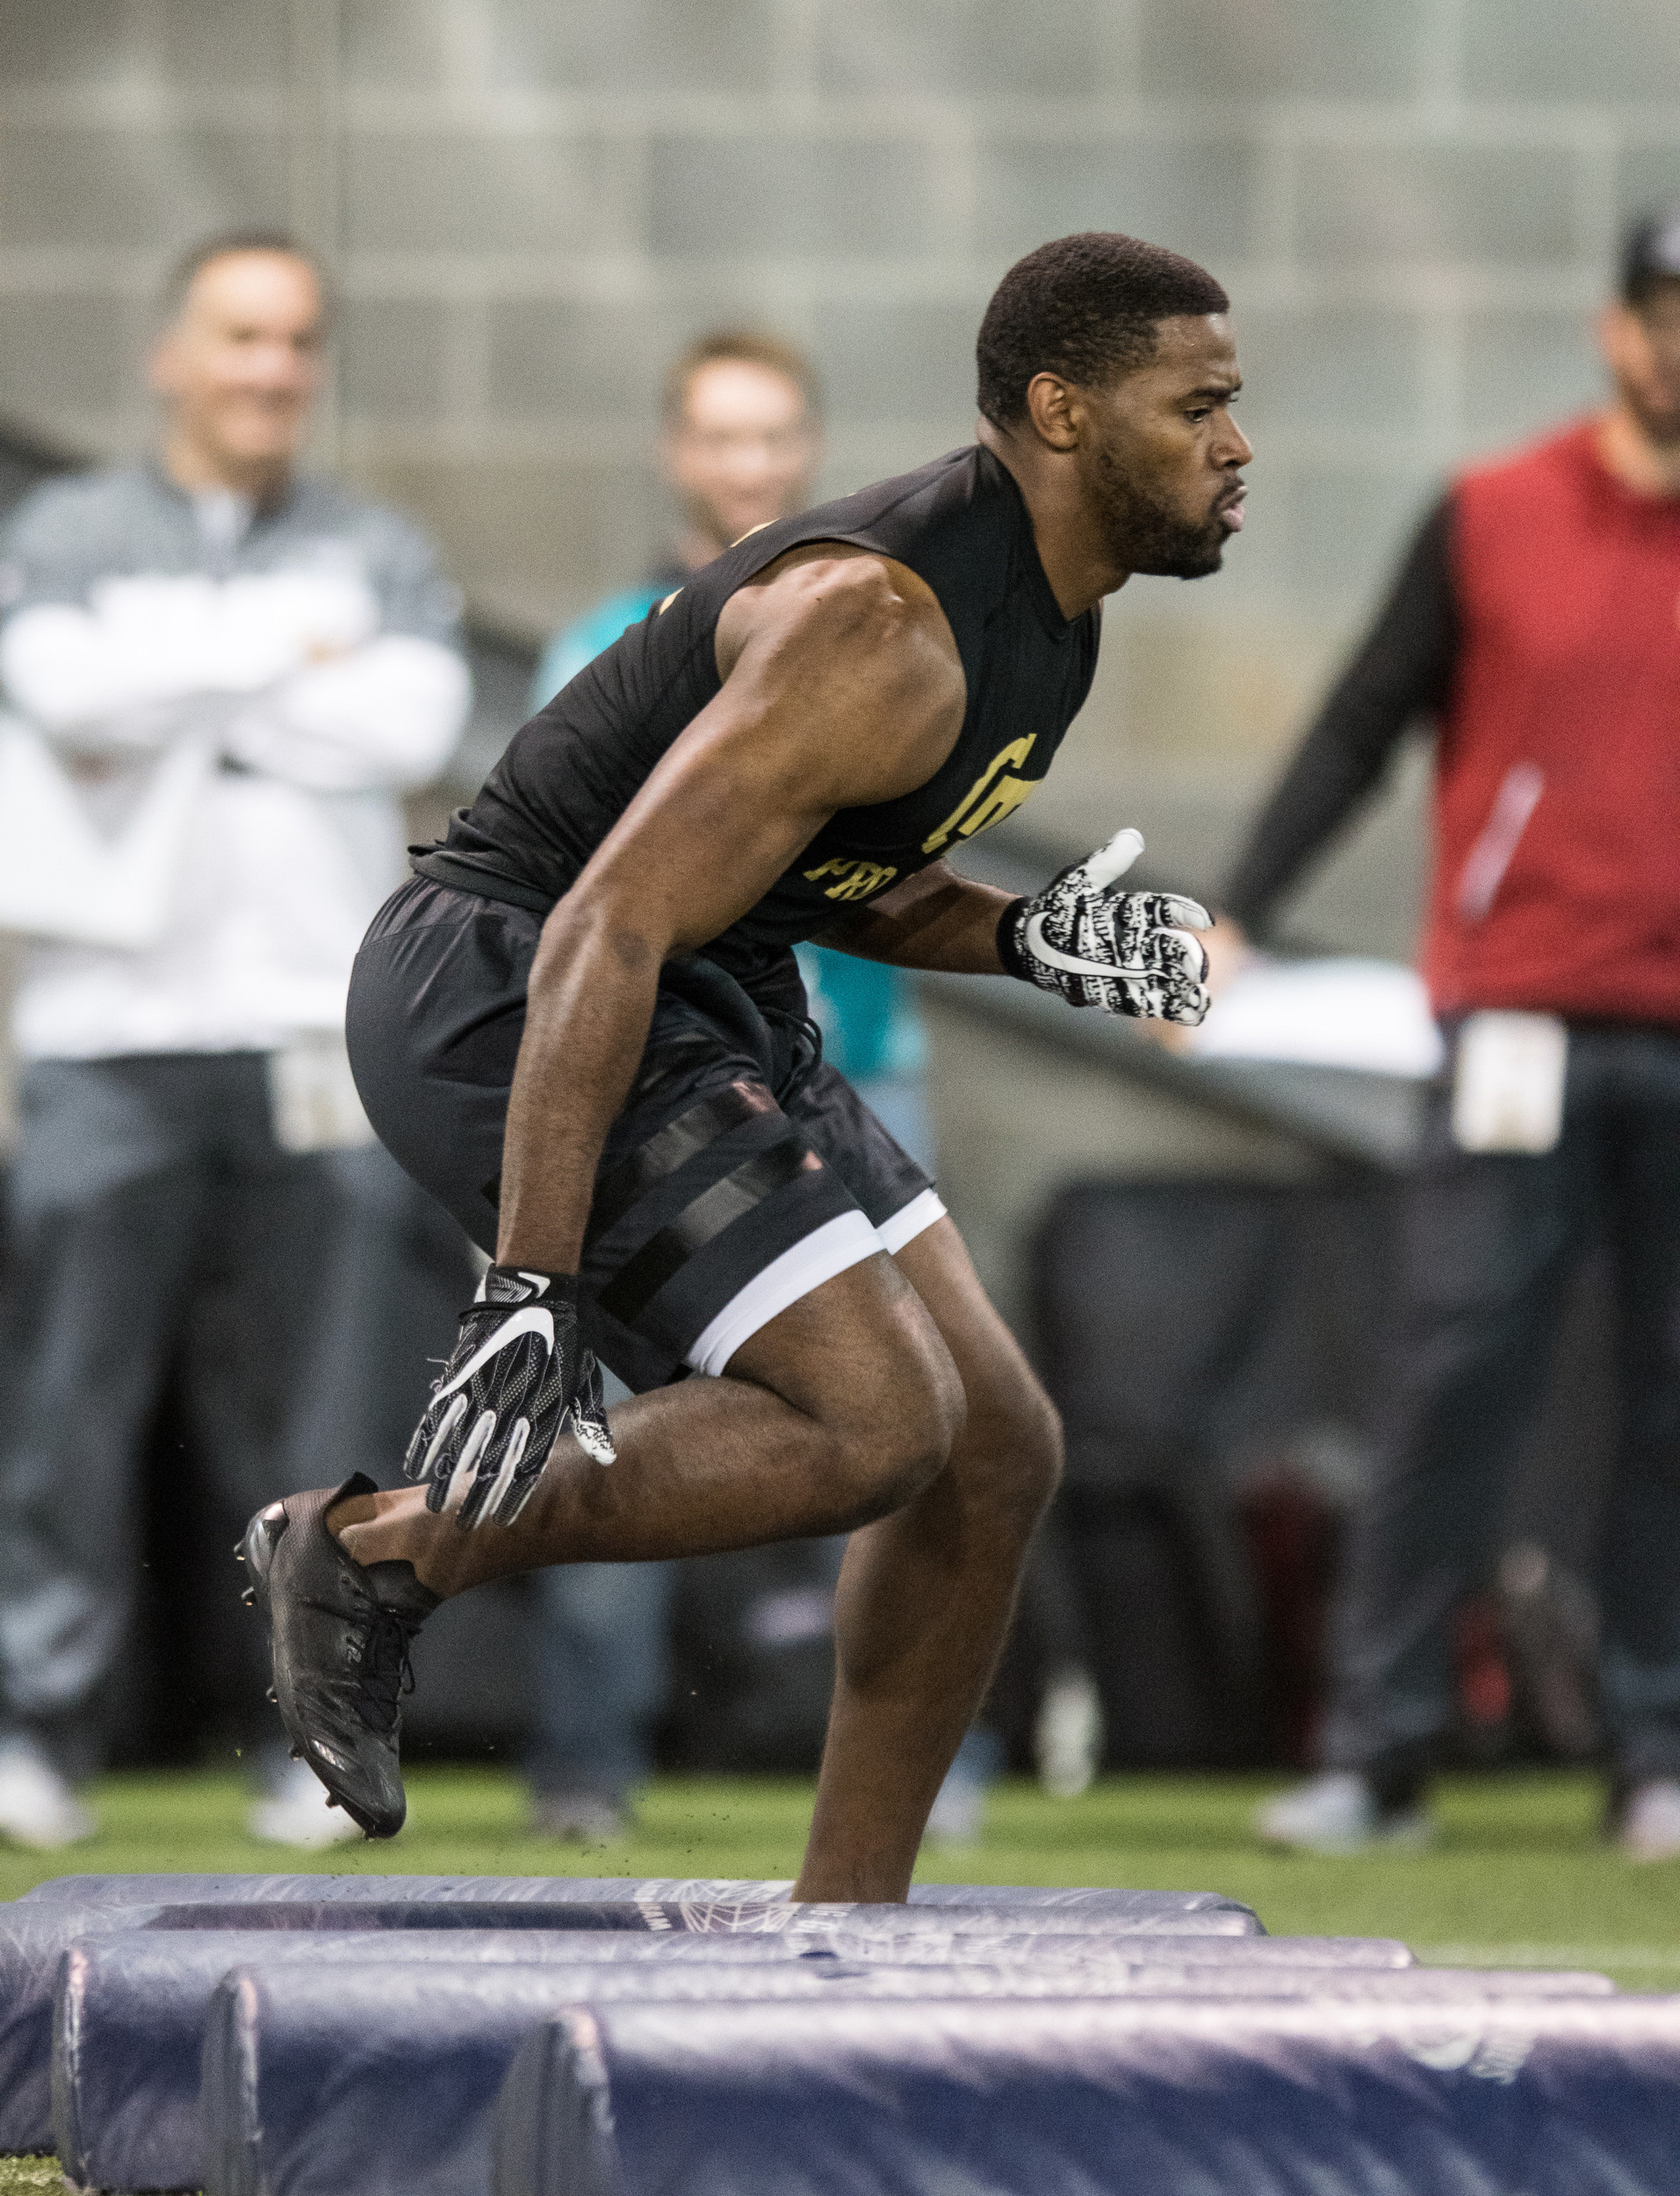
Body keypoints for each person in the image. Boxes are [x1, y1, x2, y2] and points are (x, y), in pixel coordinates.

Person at [243, 230, 1243, 1896]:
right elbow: (603, 922)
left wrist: (1015, 937)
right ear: (1062, 413)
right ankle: (367, 1551)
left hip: (701, 984)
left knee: (995, 1447)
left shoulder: (1048, 611)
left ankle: (843, 1926)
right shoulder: (884, 624)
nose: (1235, 443)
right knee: (878, 1424)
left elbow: (822, 872)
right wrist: (531, 1287)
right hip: (506, 983)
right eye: (1196, 403)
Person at [0, 232, 471, 1847]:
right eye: (242, 336)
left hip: (311, 1037)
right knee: (69, 1401)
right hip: (103, 1034)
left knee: (322, 1423)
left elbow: (410, 726)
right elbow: (58, 693)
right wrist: (291, 659)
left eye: (297, 341)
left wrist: (173, 683)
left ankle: (313, 1744)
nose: (273, 368)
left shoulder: (380, 546)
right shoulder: (66, 532)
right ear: (174, 355)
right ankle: (39, 1728)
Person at [1231, 207, 1680, 1861]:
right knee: (1454, 1383)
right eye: (1665, 312)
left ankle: (1654, 1757)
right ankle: (1379, 1753)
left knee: (1672, 1407)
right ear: (1614, 329)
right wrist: (1242, 905)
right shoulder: (1492, 516)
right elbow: (1363, 717)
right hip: (1517, 1025)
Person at [525, 330, 958, 1841]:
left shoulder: (886, 633)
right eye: (720, 435)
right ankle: (588, 1762)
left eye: (775, 436)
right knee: (594, 1389)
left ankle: (925, 1763)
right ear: (675, 453)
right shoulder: (606, 638)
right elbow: (580, 889)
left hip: (852, 1060)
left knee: (924, 1405)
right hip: (657, 1082)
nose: (749, 464)